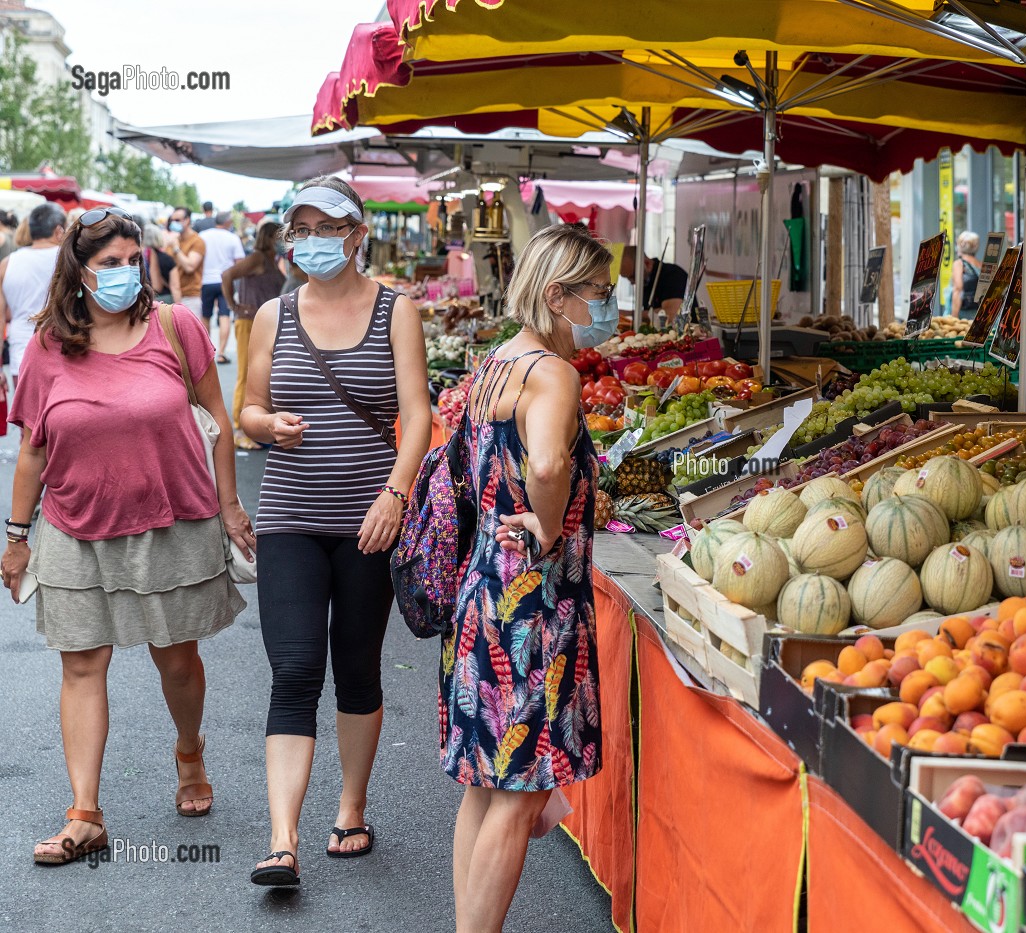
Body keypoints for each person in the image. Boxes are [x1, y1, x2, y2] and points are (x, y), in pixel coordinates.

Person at [1, 206, 253, 865]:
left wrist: (230, 507)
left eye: (131, 260)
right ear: (77, 271)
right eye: (107, 264)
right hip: (74, 528)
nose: (123, 273)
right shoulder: (49, 346)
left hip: (173, 524)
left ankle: (189, 749)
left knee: (176, 660)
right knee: (83, 663)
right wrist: (16, 535)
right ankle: (85, 812)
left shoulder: (176, 326)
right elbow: (32, 451)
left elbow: (220, 423)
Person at [241, 177, 430, 887]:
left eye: (327, 226)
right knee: (292, 669)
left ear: (356, 234)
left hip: (368, 522)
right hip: (289, 515)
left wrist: (394, 494)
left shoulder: (395, 310)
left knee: (356, 668)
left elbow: (419, 412)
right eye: (302, 227)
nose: (312, 239)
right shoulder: (274, 315)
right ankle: (282, 840)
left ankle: (350, 809)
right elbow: (248, 411)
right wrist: (266, 426)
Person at [442, 223, 606, 932]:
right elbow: (545, 464)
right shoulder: (552, 372)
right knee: (515, 795)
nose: (606, 304)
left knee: (484, 786)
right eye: (597, 293)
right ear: (556, 293)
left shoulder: (497, 364)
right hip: (534, 602)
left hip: (484, 587)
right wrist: (549, 526)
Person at [222, 221, 283, 449]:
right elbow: (227, 275)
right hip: (249, 322)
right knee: (247, 373)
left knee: (260, 375)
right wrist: (234, 306)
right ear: (270, 238)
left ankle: (252, 427)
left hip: (262, 323)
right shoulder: (257, 258)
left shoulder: (269, 259)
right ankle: (240, 428)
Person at [0, 202, 66, 376]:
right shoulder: (68, 259)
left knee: (24, 404)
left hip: (20, 354)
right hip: (64, 354)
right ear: (59, 231)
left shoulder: (7, 264)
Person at [200, 211, 245, 363]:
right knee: (224, 315)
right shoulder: (233, 238)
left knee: (206, 315)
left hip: (205, 281)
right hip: (225, 281)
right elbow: (240, 263)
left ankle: (206, 352)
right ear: (227, 222)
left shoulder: (203, 236)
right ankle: (222, 352)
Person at [619, 249, 686, 326]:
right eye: (627, 278)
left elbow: (671, 315)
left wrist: (629, 314)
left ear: (647, 264)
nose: (632, 282)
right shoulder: (645, 280)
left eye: (633, 277)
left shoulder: (673, 275)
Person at [167, 206, 205, 313]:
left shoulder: (197, 241)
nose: (173, 223)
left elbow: (190, 267)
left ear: (187, 220)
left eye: (177, 220)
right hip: (173, 295)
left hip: (190, 297)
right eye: (172, 220)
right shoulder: (174, 240)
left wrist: (176, 249)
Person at [949, 231, 983, 318]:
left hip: (964, 314)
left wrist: (954, 318)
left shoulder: (959, 264)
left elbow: (958, 289)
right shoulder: (982, 265)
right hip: (979, 314)